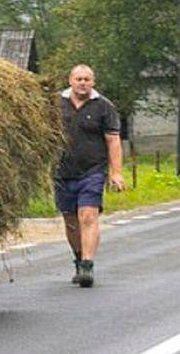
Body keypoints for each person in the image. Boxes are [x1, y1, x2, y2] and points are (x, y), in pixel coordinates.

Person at [54, 64, 124, 288]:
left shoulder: (104, 106)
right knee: (71, 221)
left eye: (87, 79)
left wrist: (116, 172)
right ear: (70, 81)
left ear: (93, 82)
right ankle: (78, 258)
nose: (83, 83)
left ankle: (87, 265)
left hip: (92, 171)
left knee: (87, 216)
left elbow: (113, 141)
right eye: (79, 79)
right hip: (62, 171)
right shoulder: (55, 104)